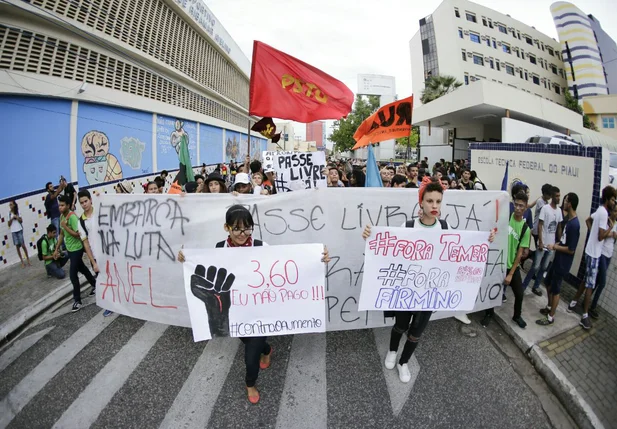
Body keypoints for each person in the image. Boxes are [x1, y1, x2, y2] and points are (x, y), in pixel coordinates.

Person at [177, 205, 330, 403]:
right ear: (226, 228)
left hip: (260, 311)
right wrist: (185, 259)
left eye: (247, 228)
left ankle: (250, 383)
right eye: (237, 229)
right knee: (246, 339)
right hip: (234, 312)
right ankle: (266, 350)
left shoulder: (261, 246)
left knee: (251, 352)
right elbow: (203, 269)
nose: (243, 234)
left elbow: (287, 268)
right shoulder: (218, 249)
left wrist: (318, 259)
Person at [362, 178, 495, 381]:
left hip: (431, 291)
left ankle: (403, 362)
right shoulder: (407, 226)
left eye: (438, 201)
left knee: (417, 331)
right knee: (400, 325)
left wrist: (485, 240)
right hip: (407, 288)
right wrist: (371, 237)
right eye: (430, 201)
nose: (434, 206)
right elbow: (388, 251)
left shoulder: (444, 227)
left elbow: (460, 251)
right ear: (421, 203)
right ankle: (392, 350)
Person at [567, 186, 617, 329]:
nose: (614, 202)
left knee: (586, 280)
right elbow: (601, 236)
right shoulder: (603, 214)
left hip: (592, 250)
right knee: (590, 284)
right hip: (594, 254)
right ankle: (585, 315)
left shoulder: (601, 211)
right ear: (607, 199)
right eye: (613, 199)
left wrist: (592, 235)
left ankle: (573, 303)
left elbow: (588, 220)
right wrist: (610, 227)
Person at [482, 191, 531, 329]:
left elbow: (520, 253)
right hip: (498, 263)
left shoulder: (525, 229)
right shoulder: (505, 219)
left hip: (511, 266)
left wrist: (510, 274)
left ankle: (517, 316)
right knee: (493, 289)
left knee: (519, 294)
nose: (518, 208)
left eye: (521, 206)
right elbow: (494, 231)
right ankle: (489, 314)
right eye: (516, 205)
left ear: (525, 208)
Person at [536, 193, 580, 326]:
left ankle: (551, 317)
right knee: (548, 281)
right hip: (557, 260)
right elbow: (564, 240)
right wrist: (555, 245)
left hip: (563, 263)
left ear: (570, 203)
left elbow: (571, 249)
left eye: (566, 200)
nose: (563, 202)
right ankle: (549, 307)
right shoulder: (569, 220)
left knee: (556, 289)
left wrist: (555, 246)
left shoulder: (575, 225)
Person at [55, 195, 98, 312]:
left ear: (68, 206)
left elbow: (77, 234)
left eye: (63, 205)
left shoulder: (73, 218)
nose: (60, 207)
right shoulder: (61, 217)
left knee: (73, 274)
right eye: (59, 205)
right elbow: (61, 234)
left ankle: (77, 300)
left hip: (77, 249)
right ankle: (95, 284)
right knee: (83, 269)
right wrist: (57, 248)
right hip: (69, 249)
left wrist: (65, 227)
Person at [522, 186, 562, 296]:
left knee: (544, 267)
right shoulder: (544, 207)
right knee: (535, 266)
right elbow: (540, 225)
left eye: (559, 196)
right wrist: (540, 241)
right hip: (542, 242)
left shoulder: (559, 211)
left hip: (551, 245)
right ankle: (523, 286)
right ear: (552, 197)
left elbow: (558, 227)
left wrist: (559, 242)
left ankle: (536, 286)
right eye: (557, 196)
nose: (559, 198)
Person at [589, 204, 617, 318]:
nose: (616, 213)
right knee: (602, 282)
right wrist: (610, 233)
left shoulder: (615, 224)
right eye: (615, 211)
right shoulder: (606, 221)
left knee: (597, 281)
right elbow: (600, 234)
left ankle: (588, 301)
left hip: (609, 254)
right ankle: (592, 306)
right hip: (602, 254)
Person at [8, 201, 31, 267]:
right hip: (13, 231)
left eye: (11, 205)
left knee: (23, 245)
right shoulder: (9, 214)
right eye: (9, 205)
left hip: (19, 230)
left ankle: (28, 259)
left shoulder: (18, 211)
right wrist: (12, 218)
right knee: (17, 247)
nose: (10, 206)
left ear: (14, 205)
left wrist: (17, 217)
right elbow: (9, 224)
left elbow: (21, 221)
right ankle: (22, 262)